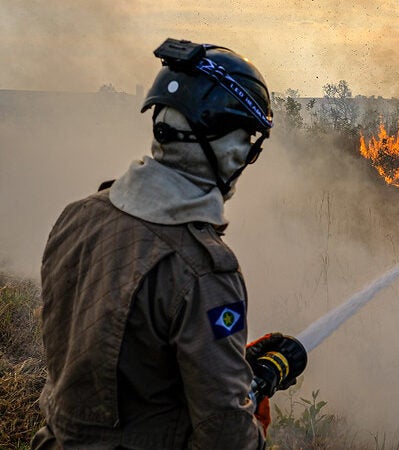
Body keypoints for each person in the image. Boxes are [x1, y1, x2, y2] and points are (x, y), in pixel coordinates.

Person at [32, 38, 307, 450]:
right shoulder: (204, 272)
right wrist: (244, 404)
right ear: (224, 150)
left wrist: (232, 367)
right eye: (246, 143)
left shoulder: (79, 217)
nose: (244, 159)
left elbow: (122, 359)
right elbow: (227, 438)